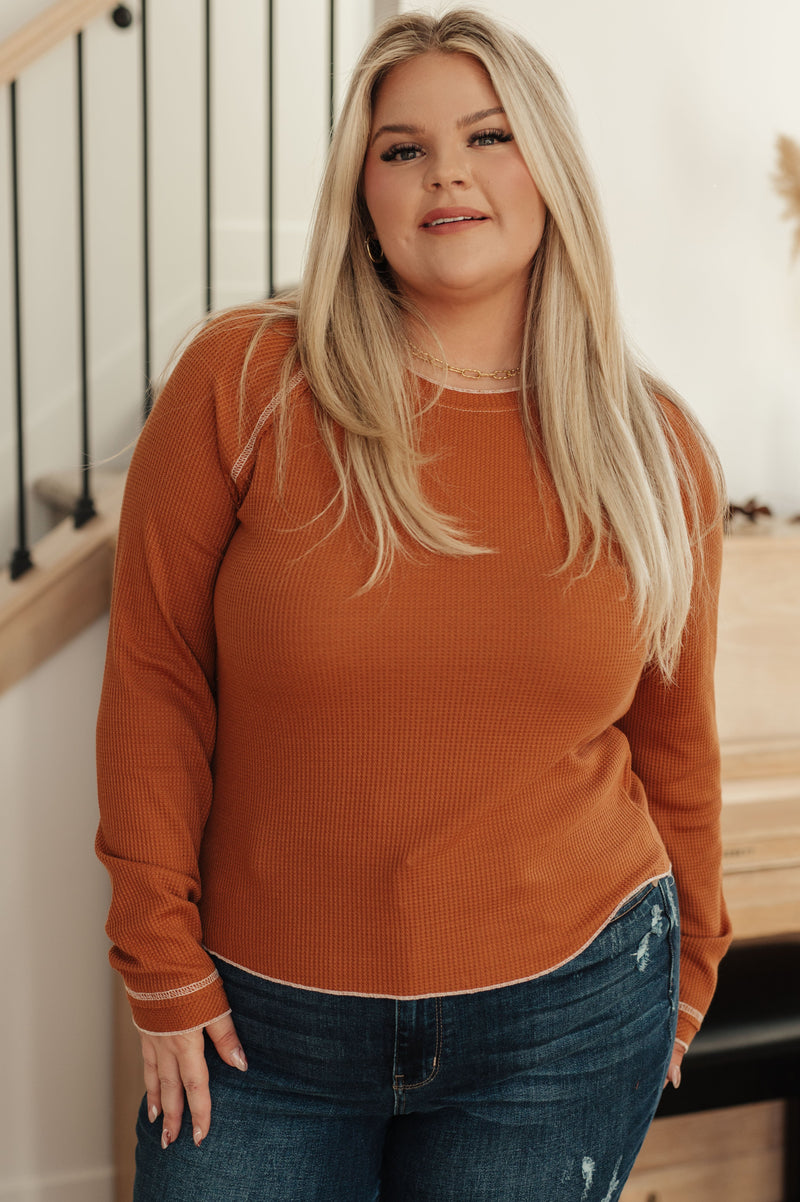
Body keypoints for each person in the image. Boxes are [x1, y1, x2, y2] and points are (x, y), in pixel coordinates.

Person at [96, 9, 732, 1200]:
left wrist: (691, 965)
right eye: (402, 148)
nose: (446, 171)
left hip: (569, 1015)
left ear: (549, 169)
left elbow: (672, 741)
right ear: (363, 193)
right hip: (259, 1028)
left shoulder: (654, 448)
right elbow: (156, 676)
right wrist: (160, 961)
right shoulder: (245, 381)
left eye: (488, 136)